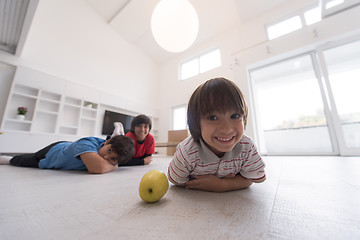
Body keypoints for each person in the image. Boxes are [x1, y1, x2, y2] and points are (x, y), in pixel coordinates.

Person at [168, 77, 266, 192]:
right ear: (196, 123)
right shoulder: (187, 152)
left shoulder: (247, 147)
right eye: (213, 117)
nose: (227, 129)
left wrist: (223, 185)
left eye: (235, 116)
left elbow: (251, 178)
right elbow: (176, 181)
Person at [0, 135, 134, 174]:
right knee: (23, 160)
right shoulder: (87, 142)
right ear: (107, 142)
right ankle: (7, 159)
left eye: (113, 159)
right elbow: (98, 168)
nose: (105, 157)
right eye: (109, 151)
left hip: (68, 148)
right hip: (51, 153)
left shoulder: (104, 152)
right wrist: (114, 166)